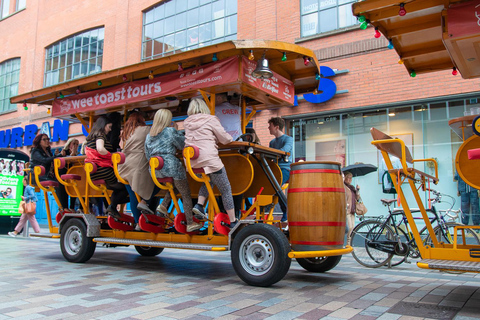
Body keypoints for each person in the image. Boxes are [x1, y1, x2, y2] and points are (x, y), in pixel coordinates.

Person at [145, 109, 202, 232]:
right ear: (167, 120)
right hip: (171, 167)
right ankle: (190, 223)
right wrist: (176, 130)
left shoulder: (149, 136)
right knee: (186, 193)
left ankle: (163, 205)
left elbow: (147, 154)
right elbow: (183, 145)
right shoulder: (170, 131)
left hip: (155, 170)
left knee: (176, 186)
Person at [184, 98, 237, 228]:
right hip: (208, 159)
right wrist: (231, 138)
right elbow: (224, 139)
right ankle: (233, 221)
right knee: (226, 189)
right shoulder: (211, 119)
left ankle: (199, 205)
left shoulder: (186, 122)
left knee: (211, 178)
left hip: (191, 162)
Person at [85, 115, 129, 219]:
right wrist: (112, 156)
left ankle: (112, 207)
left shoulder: (91, 137)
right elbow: (100, 148)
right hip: (104, 171)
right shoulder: (100, 135)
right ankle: (112, 207)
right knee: (128, 187)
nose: (110, 130)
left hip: (96, 173)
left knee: (119, 189)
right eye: (109, 127)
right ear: (103, 126)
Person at [118, 111, 156, 223]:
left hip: (124, 166)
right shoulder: (145, 130)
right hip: (138, 164)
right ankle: (141, 219)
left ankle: (137, 222)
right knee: (154, 186)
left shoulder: (126, 132)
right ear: (141, 119)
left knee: (133, 194)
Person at [30, 133, 69, 210]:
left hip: (47, 175)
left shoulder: (48, 151)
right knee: (59, 181)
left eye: (48, 139)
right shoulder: (35, 151)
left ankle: (66, 207)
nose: (47, 141)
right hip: (38, 176)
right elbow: (44, 160)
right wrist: (58, 156)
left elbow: (51, 161)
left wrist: (57, 155)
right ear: (39, 141)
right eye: (44, 139)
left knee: (63, 179)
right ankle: (62, 207)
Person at [268, 117, 293, 222]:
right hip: (275, 169)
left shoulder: (288, 139)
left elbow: (285, 151)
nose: (268, 128)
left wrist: (273, 155)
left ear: (276, 127)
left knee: (274, 185)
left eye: (270, 126)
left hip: (285, 169)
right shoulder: (272, 142)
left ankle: (286, 211)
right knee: (267, 183)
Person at [344, 171, 360, 245]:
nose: (350, 179)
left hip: (352, 210)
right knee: (349, 227)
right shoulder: (344, 187)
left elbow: (357, 198)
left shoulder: (352, 188)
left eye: (351, 178)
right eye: (348, 178)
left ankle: (349, 243)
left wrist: (357, 190)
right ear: (345, 178)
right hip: (347, 210)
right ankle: (347, 243)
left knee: (352, 228)